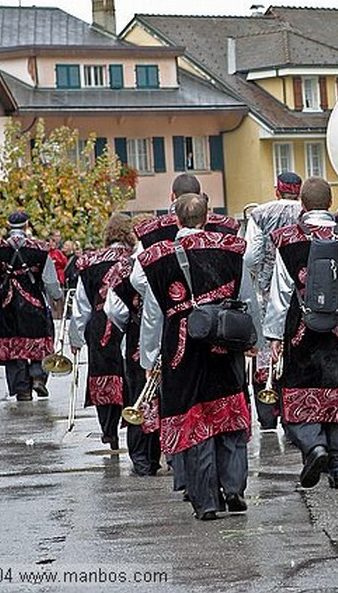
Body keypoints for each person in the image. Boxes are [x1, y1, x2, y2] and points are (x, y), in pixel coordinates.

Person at [137, 193, 260, 520]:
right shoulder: (231, 249)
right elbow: (247, 299)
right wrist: (254, 339)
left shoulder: (157, 258)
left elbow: (153, 313)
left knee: (194, 423)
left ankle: (205, 501)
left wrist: (149, 358)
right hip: (225, 343)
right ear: (207, 217)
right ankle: (233, 487)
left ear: (176, 219)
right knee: (229, 417)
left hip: (180, 352)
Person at [263, 177, 338, 490]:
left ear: (302, 206)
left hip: (301, 329)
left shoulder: (286, 238)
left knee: (301, 392)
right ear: (330, 204)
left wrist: (275, 336)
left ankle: (313, 446)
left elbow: (280, 291)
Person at [0, 212, 63, 401]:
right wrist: (57, 296)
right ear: (27, 225)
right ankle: (38, 376)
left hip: (8, 307)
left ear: (8, 226)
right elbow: (50, 280)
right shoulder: (40, 249)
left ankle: (22, 389)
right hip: (35, 305)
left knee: (13, 347)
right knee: (40, 341)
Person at [68, 214, 134, 450]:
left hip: (98, 323)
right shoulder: (135, 259)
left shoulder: (90, 262)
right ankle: (133, 423)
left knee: (104, 374)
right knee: (130, 373)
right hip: (131, 322)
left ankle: (108, 430)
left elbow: (81, 303)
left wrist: (75, 337)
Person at [244, 171, 303, 430]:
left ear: (277, 191)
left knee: (267, 350)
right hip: (300, 294)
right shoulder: (307, 210)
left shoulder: (260, 214)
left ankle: (267, 416)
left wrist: (261, 278)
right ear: (299, 192)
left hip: (266, 294)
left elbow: (250, 258)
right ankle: (295, 417)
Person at [104, 214, 162, 476]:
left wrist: (129, 323)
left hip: (138, 338)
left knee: (139, 392)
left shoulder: (125, 267)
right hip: (172, 335)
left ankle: (142, 459)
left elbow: (113, 309)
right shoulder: (168, 257)